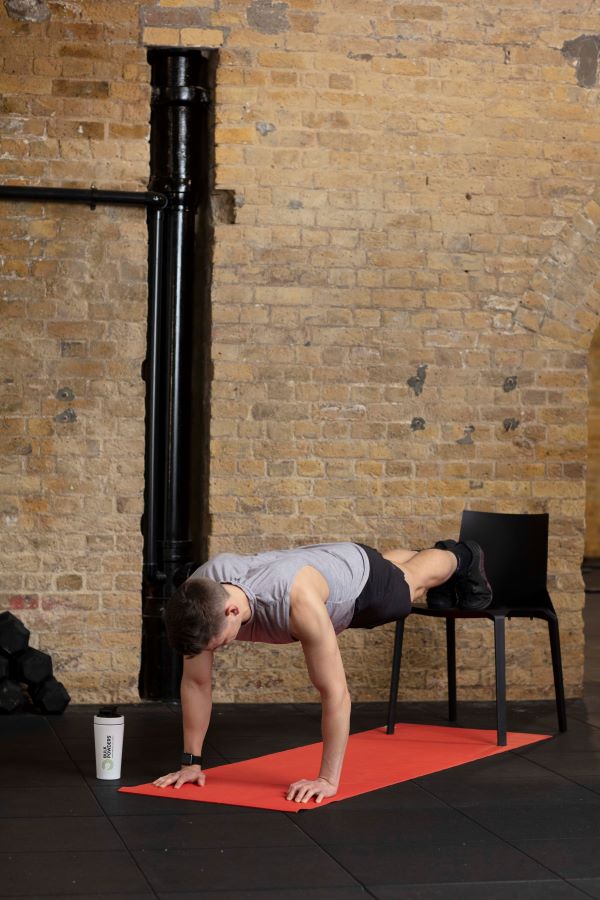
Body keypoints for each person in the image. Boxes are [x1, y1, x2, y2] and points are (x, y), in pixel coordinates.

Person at [153, 538, 492, 804]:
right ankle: (416, 563)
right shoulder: (199, 597)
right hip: (328, 561)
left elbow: (336, 694)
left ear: (231, 610)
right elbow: (197, 683)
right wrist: (190, 762)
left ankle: (461, 555)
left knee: (411, 584)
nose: (217, 649)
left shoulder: (296, 603)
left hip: (361, 586)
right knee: (393, 569)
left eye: (218, 643)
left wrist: (327, 780)